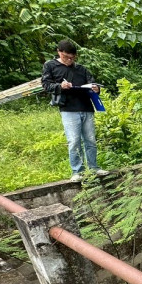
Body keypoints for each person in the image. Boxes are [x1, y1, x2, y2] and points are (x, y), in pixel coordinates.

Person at [41, 40, 109, 182]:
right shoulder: (50, 66)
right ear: (59, 52)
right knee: (74, 141)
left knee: (90, 140)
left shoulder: (81, 69)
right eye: (66, 57)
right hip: (68, 109)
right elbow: (46, 85)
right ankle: (77, 171)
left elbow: (93, 83)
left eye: (72, 58)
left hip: (86, 107)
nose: (69, 60)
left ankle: (94, 167)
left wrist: (96, 89)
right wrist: (60, 86)